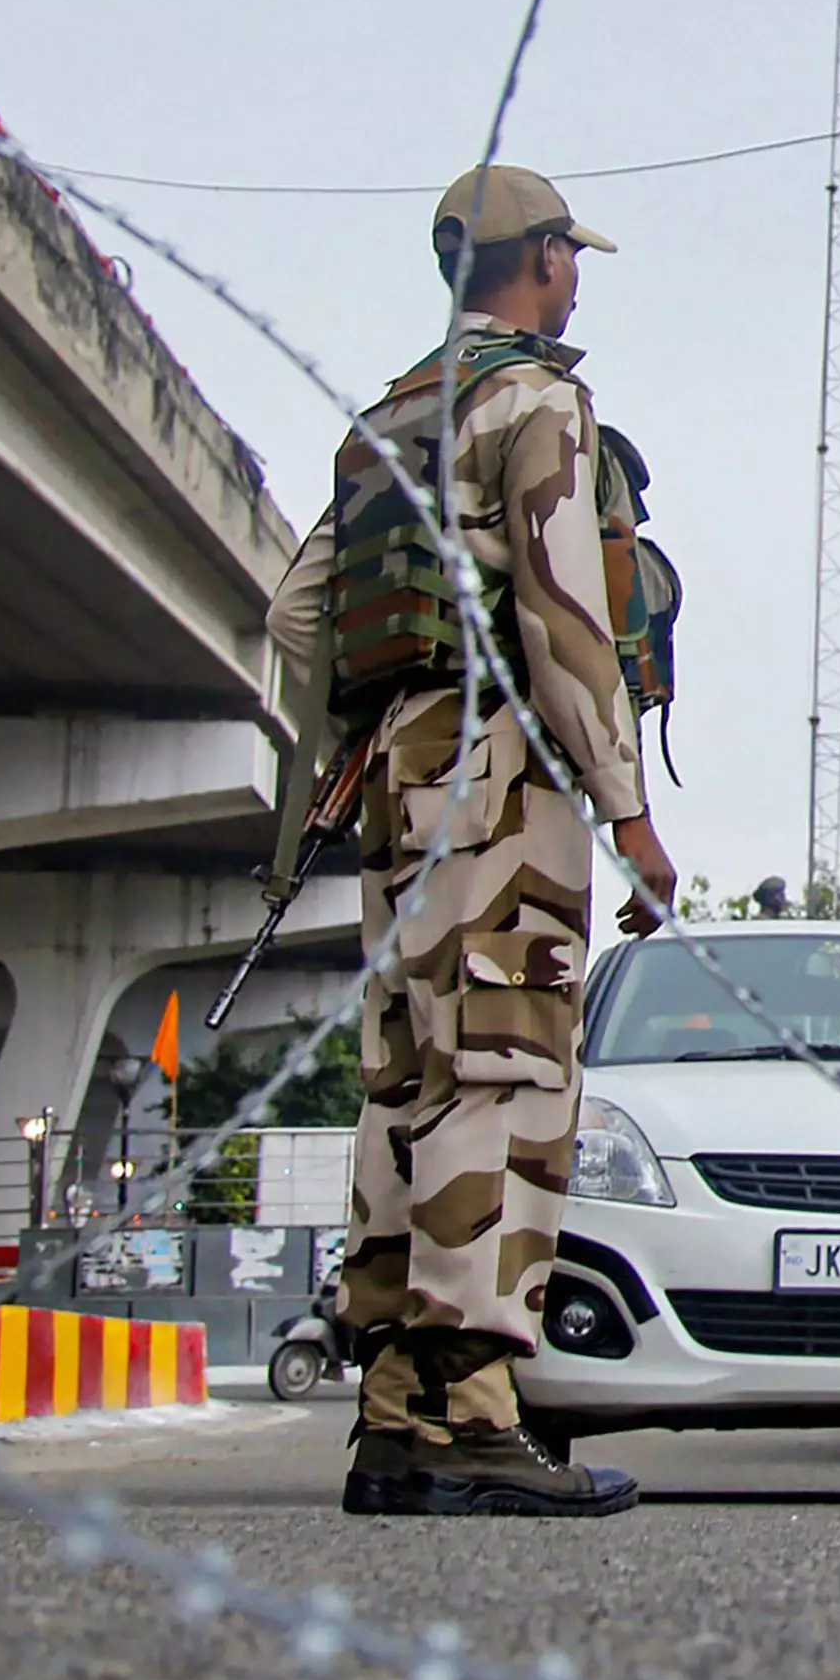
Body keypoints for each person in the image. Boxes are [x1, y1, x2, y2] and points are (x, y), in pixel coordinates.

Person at [270, 164, 682, 1517]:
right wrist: (627, 807)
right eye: (572, 250)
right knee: (502, 1069)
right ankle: (472, 1408)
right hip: (504, 773)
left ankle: (392, 1406)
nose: (580, 273)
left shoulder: (385, 417)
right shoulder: (538, 400)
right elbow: (568, 617)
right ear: (544, 258)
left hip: (399, 777)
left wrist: (375, 727)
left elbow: (298, 615)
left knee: (406, 1076)